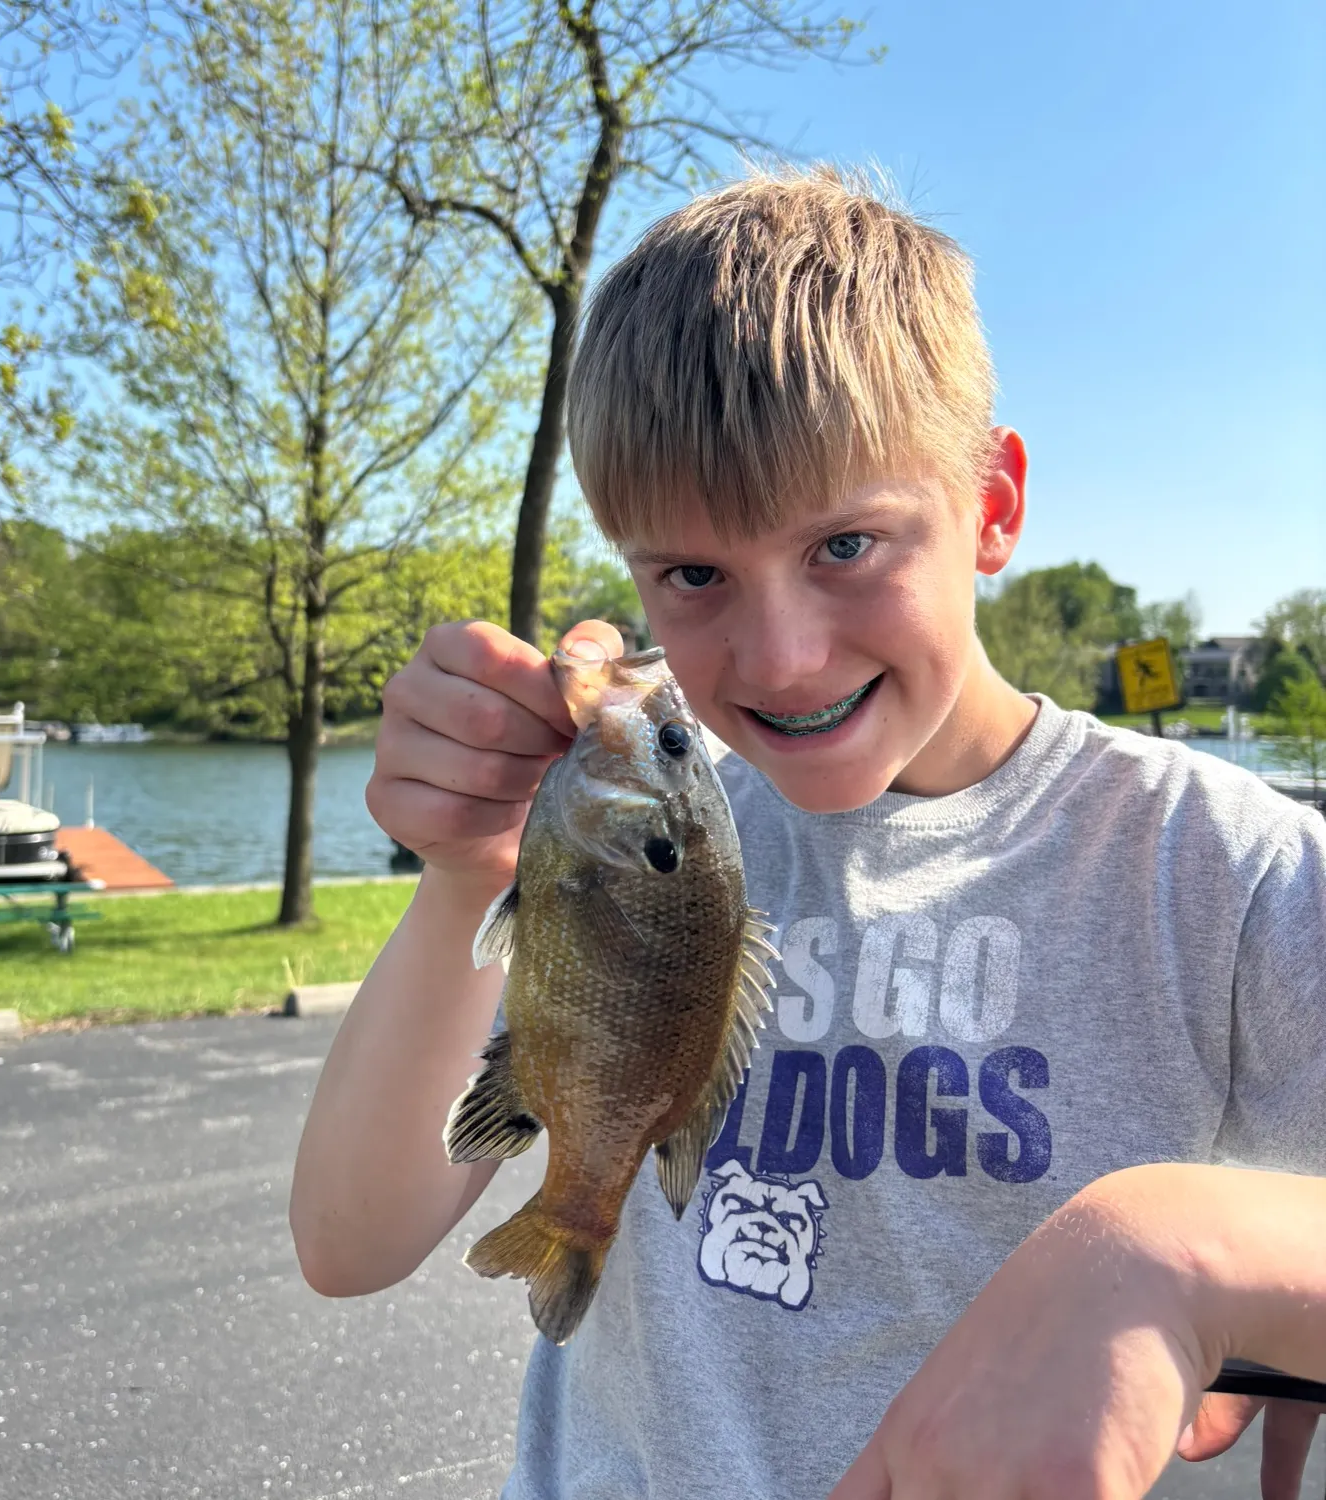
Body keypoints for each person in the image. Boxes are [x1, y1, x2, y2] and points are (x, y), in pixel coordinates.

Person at [290, 165, 1326, 1498]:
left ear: (994, 508)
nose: (779, 656)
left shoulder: (1227, 874)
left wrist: (1185, 1250)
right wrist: (469, 880)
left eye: (847, 546)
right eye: (695, 575)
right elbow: (347, 1240)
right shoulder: (635, 846)